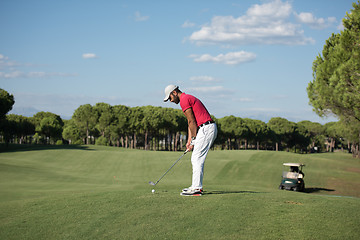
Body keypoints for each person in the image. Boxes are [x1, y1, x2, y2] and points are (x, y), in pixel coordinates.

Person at [163, 84, 217, 196]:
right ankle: (195, 186)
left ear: (174, 92)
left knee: (197, 157)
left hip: (206, 128)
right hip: (205, 128)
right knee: (196, 158)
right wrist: (189, 141)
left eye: (170, 98)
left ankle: (197, 188)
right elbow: (190, 122)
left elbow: (192, 122)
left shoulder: (184, 100)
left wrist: (193, 139)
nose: (171, 101)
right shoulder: (186, 98)